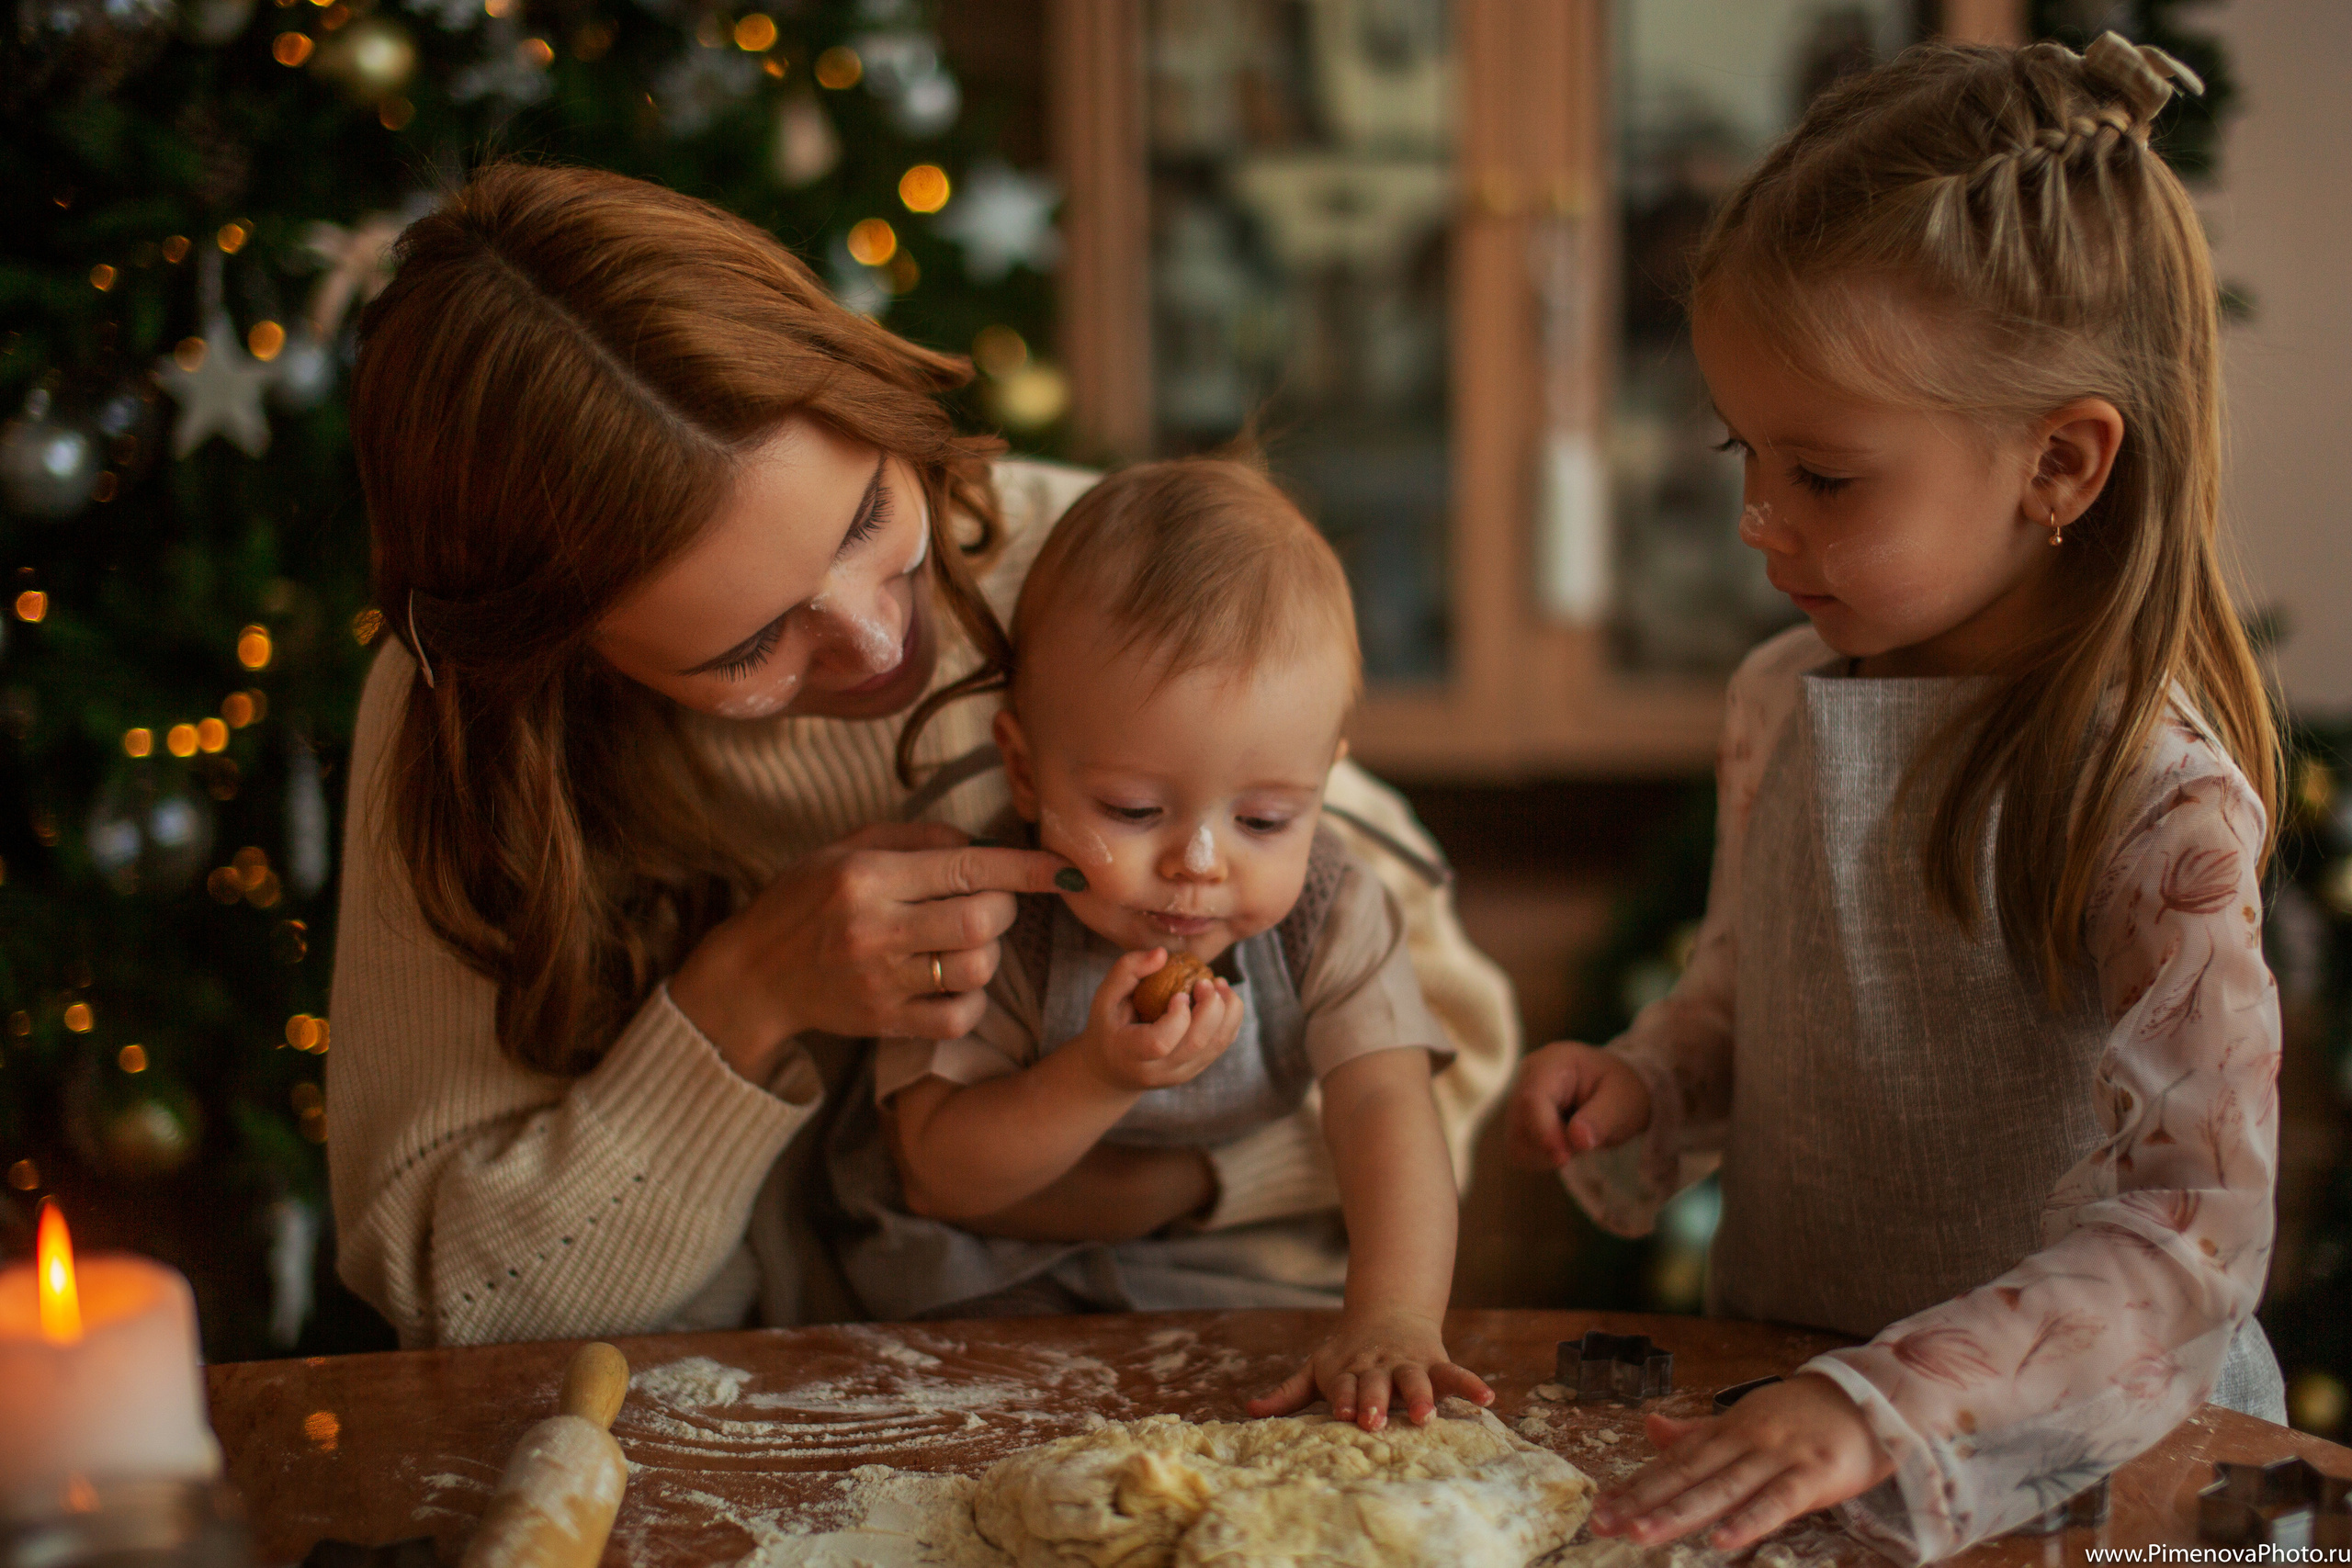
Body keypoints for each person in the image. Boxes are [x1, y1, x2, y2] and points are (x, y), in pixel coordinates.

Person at [327, 162, 1517, 1349]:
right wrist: (747, 995)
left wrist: (1154, 1185)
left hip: (1232, 1321)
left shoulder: (1099, 576)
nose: (877, 633)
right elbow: (457, 1295)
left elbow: (1448, 1046)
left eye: (866, 518)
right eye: (750, 642)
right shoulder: (469, 730)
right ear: (566, 654)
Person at [1508, 34, 2283, 1563]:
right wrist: (1657, 1080)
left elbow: (2197, 1233)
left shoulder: (2152, 797)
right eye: (1749, 452)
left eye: (1827, 475)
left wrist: (1888, 1403)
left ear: (2059, 463)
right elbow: (1761, 982)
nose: (1756, 517)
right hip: (1791, 1398)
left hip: (2075, 1471)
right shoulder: (1772, 704)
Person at [832, 457, 1487, 1431]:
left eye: (1266, 819)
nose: (1199, 861)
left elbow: (1386, 1109)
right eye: (1133, 808)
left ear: (1324, 783)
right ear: (1023, 770)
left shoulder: (1331, 909)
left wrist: (1391, 1316)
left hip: (1242, 1284)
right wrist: (1097, 1077)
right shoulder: (980, 915)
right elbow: (936, 1170)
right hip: (987, 1295)